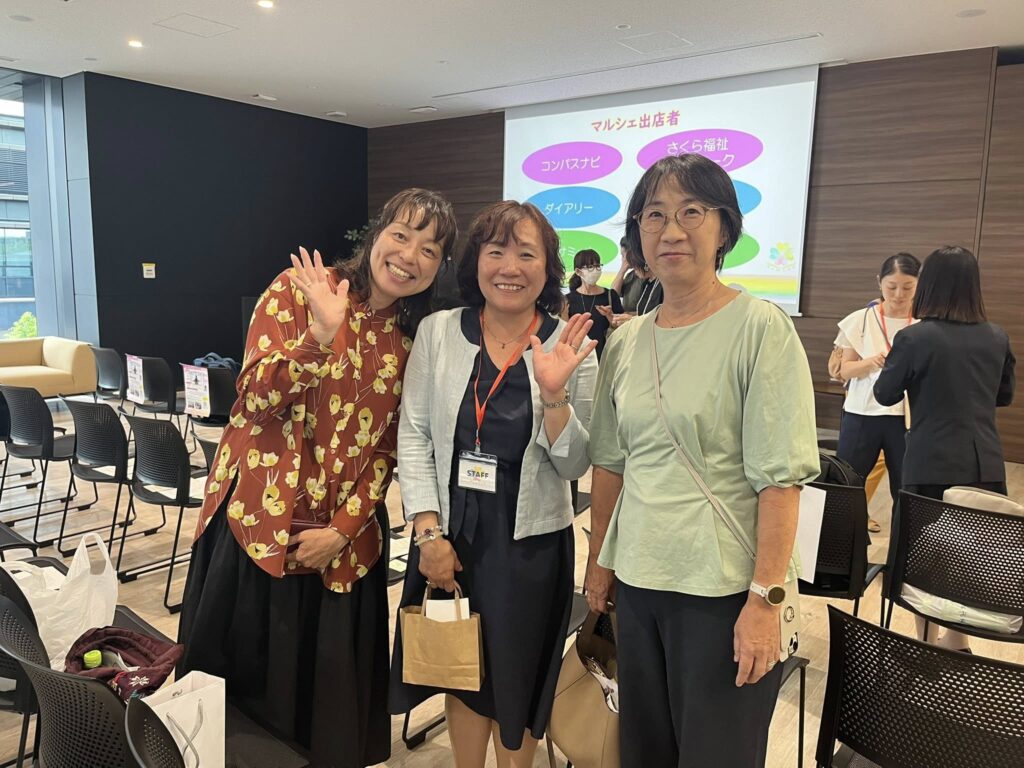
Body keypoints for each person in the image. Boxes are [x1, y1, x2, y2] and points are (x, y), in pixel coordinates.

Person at [177, 188, 458, 768]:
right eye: (401, 235)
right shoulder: (299, 290)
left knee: (319, 714)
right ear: (376, 233)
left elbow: (388, 451)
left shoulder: (410, 342)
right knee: (235, 711)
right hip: (257, 528)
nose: (410, 256)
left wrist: (342, 531)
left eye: (430, 249)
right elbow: (253, 400)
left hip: (340, 549)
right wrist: (318, 338)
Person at [584, 154, 819, 768]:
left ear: (724, 229)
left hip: (723, 591)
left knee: (717, 754)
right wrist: (599, 564)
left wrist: (765, 602)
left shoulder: (760, 329)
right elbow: (610, 464)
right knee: (645, 750)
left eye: (692, 212)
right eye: (654, 215)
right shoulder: (627, 341)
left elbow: (780, 481)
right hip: (638, 581)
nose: (671, 230)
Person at [390, 200, 598, 768]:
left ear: (547, 268)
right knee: (461, 669)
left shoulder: (570, 344)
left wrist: (554, 396)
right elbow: (414, 435)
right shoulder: (438, 332)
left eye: (526, 254)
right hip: (451, 536)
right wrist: (428, 535)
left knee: (517, 677)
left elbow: (577, 465)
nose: (510, 267)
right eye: (496, 250)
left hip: (529, 547)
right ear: (476, 261)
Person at [875, 246, 1015, 653]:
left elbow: (885, 393)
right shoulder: (997, 336)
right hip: (984, 464)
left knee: (923, 557)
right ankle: (958, 641)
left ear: (929, 286)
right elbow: (1003, 396)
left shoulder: (915, 337)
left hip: (929, 464)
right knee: (972, 556)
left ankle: (925, 643)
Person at [834, 253, 921, 532]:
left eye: (908, 287)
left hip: (906, 419)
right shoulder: (860, 320)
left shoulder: (924, 324)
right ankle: (843, 547)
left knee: (906, 490)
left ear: (919, 285)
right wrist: (871, 363)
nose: (898, 294)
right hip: (861, 414)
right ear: (879, 283)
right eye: (891, 286)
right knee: (847, 485)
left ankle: (901, 552)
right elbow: (844, 370)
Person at [566, 248, 623, 360]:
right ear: (578, 272)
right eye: (590, 267)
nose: (595, 270)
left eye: (598, 266)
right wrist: (563, 315)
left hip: (606, 357)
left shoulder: (610, 296)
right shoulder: (568, 299)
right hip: (578, 358)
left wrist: (610, 316)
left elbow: (622, 328)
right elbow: (565, 332)